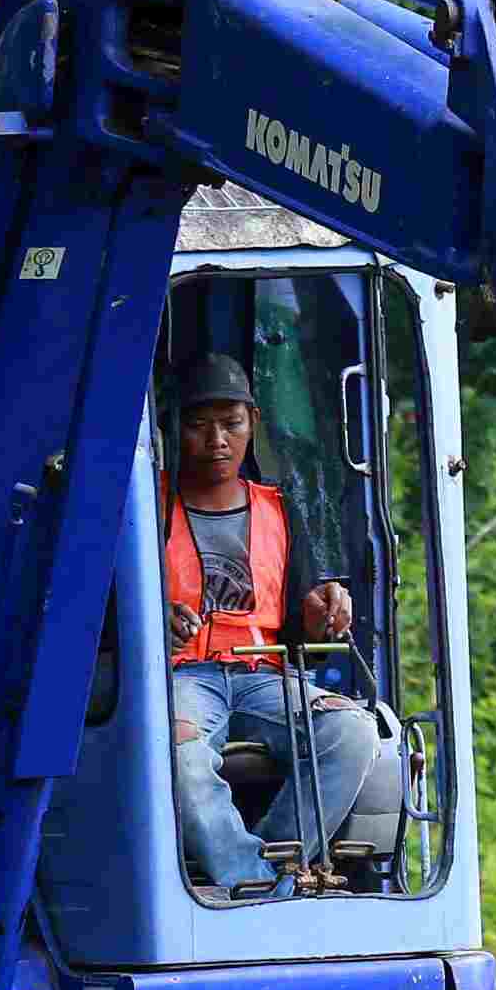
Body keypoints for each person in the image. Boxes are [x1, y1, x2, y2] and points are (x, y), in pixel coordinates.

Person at [161, 354, 400, 900]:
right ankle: (257, 884)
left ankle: (269, 876)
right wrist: (155, 617)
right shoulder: (147, 506)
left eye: (231, 424)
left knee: (353, 731)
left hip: (263, 673)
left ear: (254, 423)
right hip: (181, 676)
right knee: (176, 753)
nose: (216, 440)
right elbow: (107, 610)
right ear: (175, 428)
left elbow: (299, 619)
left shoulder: (281, 508)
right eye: (198, 425)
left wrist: (322, 610)